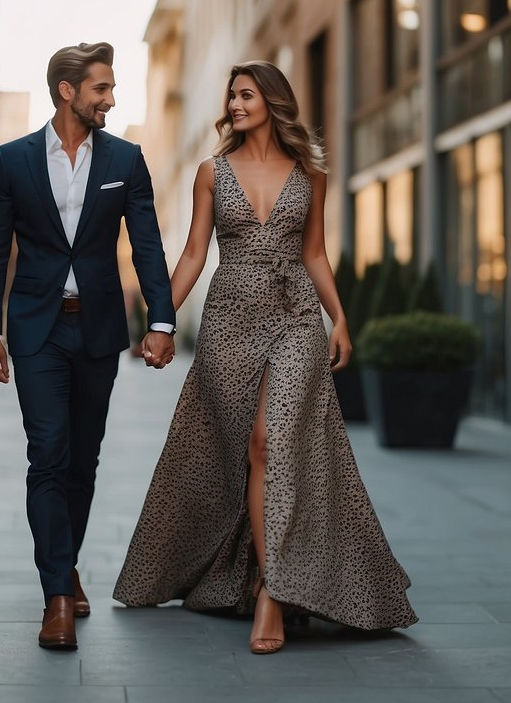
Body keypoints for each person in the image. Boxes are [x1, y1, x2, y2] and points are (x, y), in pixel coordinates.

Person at [113, 61, 417, 654]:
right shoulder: (210, 172)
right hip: (230, 321)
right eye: (232, 95)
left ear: (272, 101)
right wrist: (160, 319)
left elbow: (316, 254)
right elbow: (196, 252)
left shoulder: (310, 174)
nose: (235, 103)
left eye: (245, 94)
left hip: (296, 319)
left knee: (268, 443)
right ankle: (246, 573)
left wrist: (340, 317)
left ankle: (272, 595)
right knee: (237, 454)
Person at [0, 42, 176, 651]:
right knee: (48, 453)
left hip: (97, 329)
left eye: (112, 89)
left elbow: (146, 244)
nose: (111, 99)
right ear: (68, 91)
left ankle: (66, 565)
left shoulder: (126, 159)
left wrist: (161, 319)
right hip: (37, 327)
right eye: (102, 89)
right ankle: (57, 593)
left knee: (83, 459)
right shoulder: (11, 162)